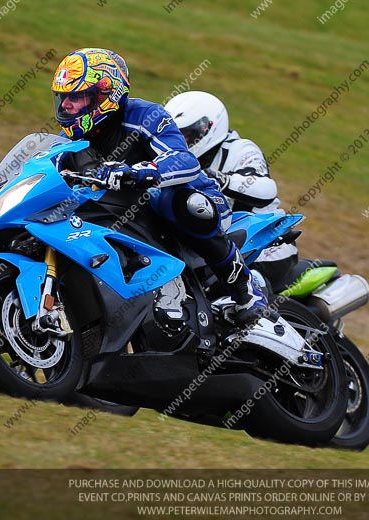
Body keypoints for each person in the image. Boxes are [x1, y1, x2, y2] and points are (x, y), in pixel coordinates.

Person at [51, 48, 268, 325]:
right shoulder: (67, 141)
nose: (67, 105)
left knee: (169, 200)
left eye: (77, 96)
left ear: (107, 95)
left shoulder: (145, 115)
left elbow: (184, 160)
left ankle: (245, 289)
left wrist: (139, 173)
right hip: (125, 217)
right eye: (63, 97)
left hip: (198, 201)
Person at [164, 91, 298, 281]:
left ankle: (260, 309)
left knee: (244, 283)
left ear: (208, 127)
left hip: (266, 248)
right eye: (176, 136)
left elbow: (266, 188)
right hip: (213, 248)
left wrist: (222, 180)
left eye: (187, 135)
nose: (181, 143)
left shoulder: (241, 150)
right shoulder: (172, 159)